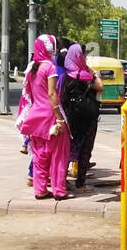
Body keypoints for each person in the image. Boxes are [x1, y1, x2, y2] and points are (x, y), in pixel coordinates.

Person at [18, 34, 73, 200]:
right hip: (50, 116)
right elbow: (51, 94)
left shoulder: (32, 68)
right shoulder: (50, 67)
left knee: (39, 155)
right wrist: (59, 118)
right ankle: (59, 191)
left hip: (35, 117)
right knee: (58, 154)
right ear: (51, 48)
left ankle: (40, 190)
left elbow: (32, 95)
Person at [61, 43, 104, 189]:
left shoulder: (66, 75)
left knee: (67, 149)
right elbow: (100, 87)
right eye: (83, 55)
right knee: (85, 149)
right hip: (88, 118)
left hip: (71, 118)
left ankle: (61, 180)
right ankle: (80, 182)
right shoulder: (85, 75)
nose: (85, 57)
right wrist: (93, 72)